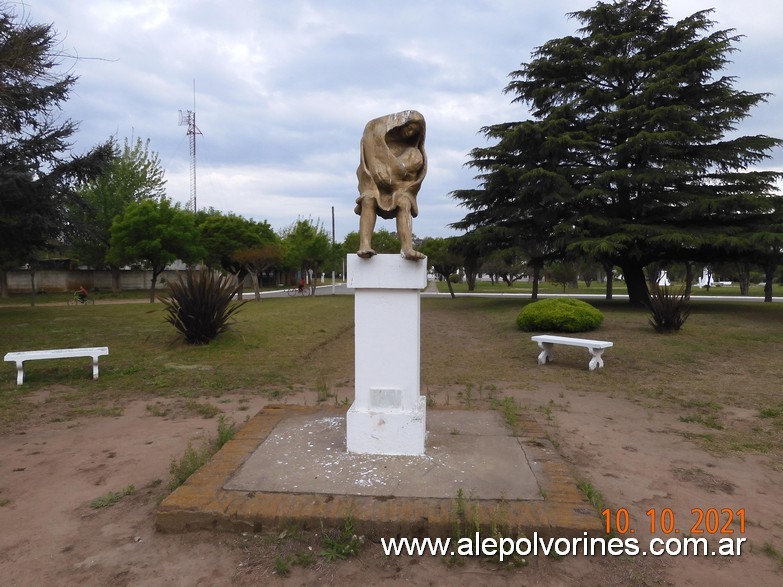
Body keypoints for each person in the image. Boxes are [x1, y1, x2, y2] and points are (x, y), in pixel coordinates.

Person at [354, 110, 427, 260]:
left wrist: (387, 171)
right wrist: (375, 168)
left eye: (413, 131)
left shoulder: (414, 153)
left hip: (400, 189)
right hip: (374, 186)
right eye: (408, 127)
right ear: (400, 123)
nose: (409, 132)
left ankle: (407, 247)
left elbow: (405, 176)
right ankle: (364, 245)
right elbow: (367, 161)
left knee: (403, 202)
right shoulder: (377, 140)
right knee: (368, 199)